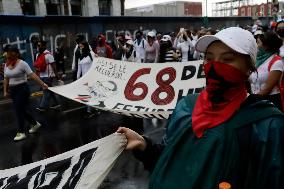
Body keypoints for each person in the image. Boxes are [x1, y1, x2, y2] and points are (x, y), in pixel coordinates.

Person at [117, 27, 284, 189]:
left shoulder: (267, 125)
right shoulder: (186, 107)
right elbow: (169, 161)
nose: (215, 66)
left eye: (227, 59)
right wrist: (144, 145)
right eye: (209, 58)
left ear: (249, 68)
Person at [3, 47, 48, 141]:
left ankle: (21, 132)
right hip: (13, 90)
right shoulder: (6, 64)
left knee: (18, 110)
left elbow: (32, 75)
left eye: (10, 53)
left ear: (16, 54)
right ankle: (35, 124)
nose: (8, 55)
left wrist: (42, 84)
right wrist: (5, 91)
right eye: (7, 53)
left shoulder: (22, 63)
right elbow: (6, 78)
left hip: (22, 89)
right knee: (21, 110)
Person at [250, 31, 284, 111]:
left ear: (266, 46)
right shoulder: (257, 60)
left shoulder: (276, 62)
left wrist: (251, 100)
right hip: (256, 99)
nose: (256, 46)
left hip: (270, 102)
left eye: (258, 43)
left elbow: (267, 88)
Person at [35, 40, 61, 112]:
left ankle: (42, 106)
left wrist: (57, 76)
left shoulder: (49, 55)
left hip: (49, 76)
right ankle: (56, 103)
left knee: (46, 90)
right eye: (37, 45)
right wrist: (37, 75)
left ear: (44, 46)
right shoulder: (38, 55)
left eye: (39, 45)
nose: (38, 47)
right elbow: (37, 65)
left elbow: (54, 66)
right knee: (49, 89)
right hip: (42, 75)